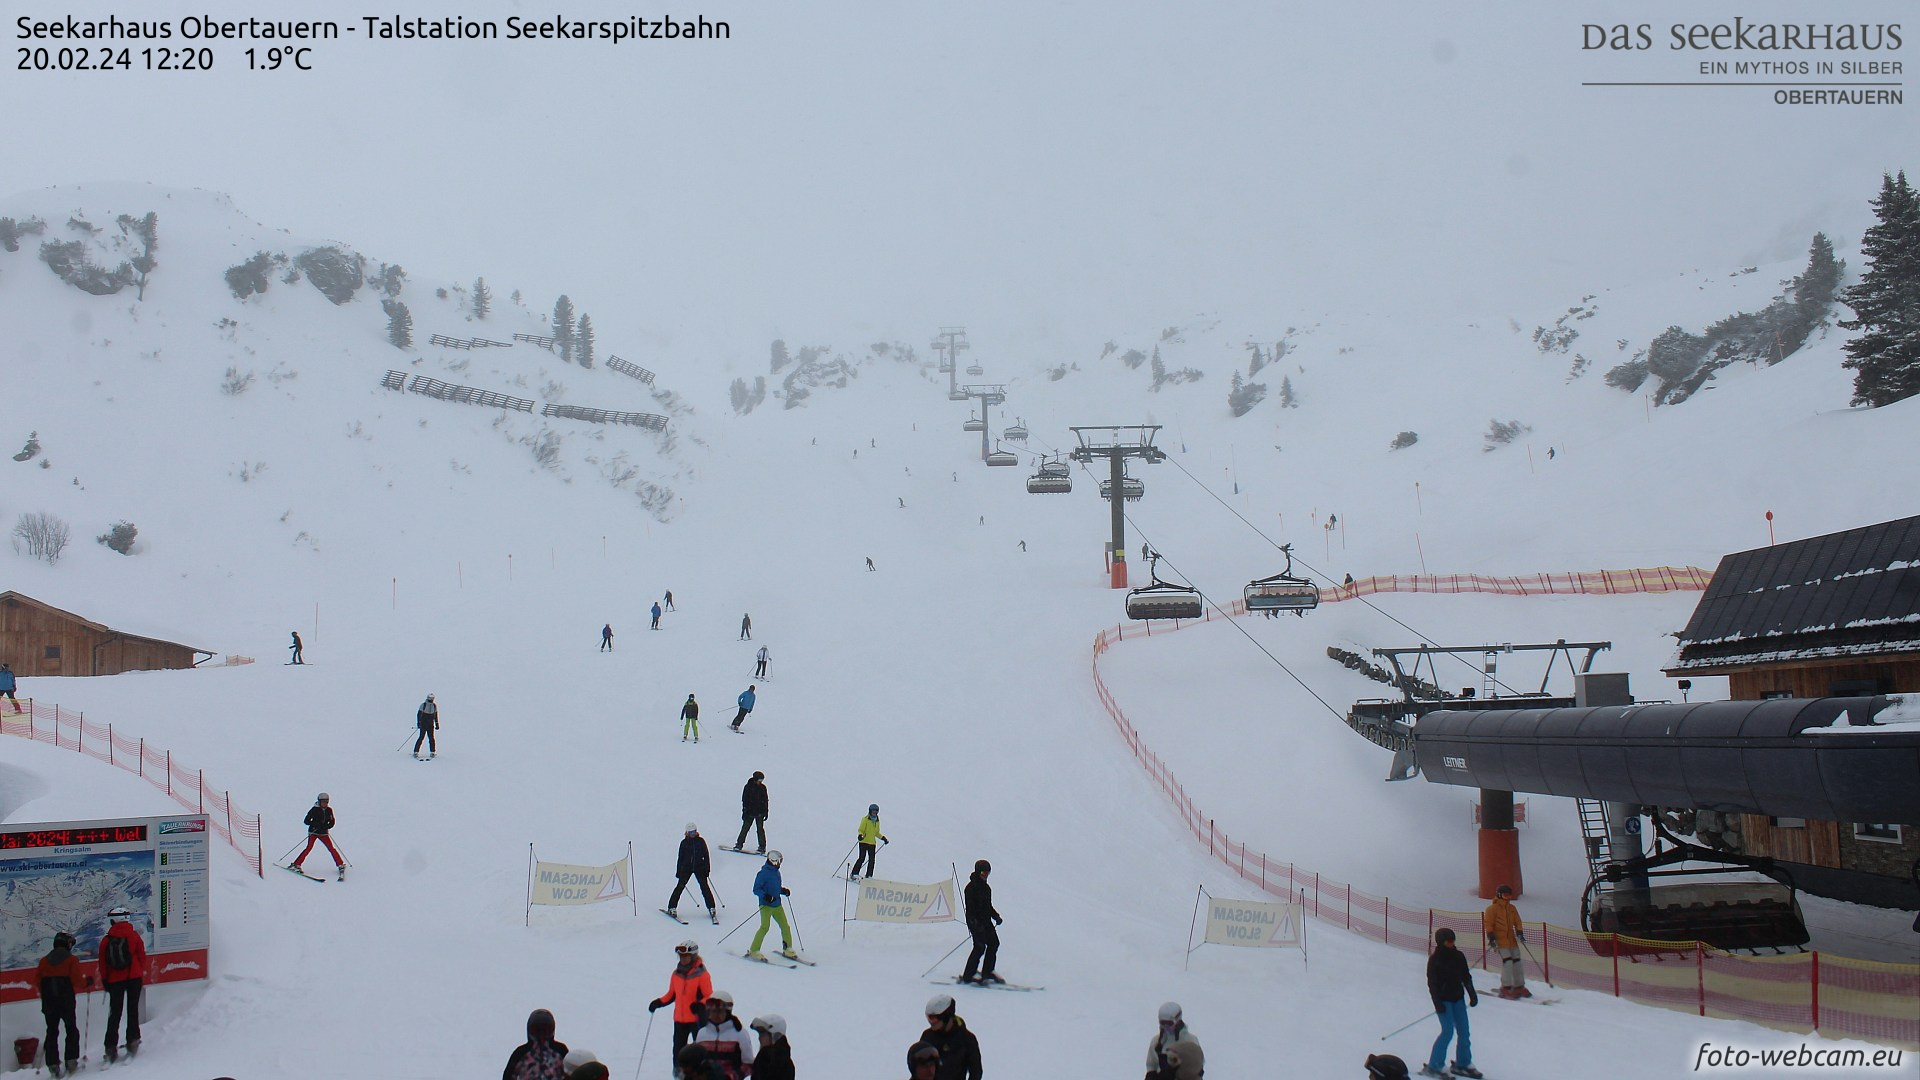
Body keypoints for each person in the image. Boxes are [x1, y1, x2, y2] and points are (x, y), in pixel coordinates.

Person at [1422, 927, 1480, 1079]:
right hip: (1444, 1001)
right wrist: (1437, 1002)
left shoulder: (1458, 956)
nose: (1451, 943)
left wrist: (1472, 994)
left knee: (1464, 1032)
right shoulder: (1435, 960)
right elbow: (1432, 983)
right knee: (1447, 1032)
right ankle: (1435, 1065)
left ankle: (1463, 1063)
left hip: (1458, 999)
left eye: (1453, 940)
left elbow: (1465, 977)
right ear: (1441, 942)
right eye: (1449, 941)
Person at [648, 940, 713, 1059]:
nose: (682, 959)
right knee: (678, 1052)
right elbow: (672, 994)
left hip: (696, 1020)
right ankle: (678, 1075)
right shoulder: (676, 974)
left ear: (693, 956)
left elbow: (709, 996)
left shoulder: (702, 974)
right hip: (679, 1020)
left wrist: (700, 1005)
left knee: (699, 1051)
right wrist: (658, 1002)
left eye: (686, 956)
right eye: (681, 956)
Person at [36, 931, 88, 1076]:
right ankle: (71, 1060)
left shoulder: (44, 961)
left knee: (51, 1031)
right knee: (71, 1028)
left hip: (49, 1002)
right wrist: (87, 983)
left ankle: (53, 1064)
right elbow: (78, 980)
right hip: (66, 1001)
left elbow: (38, 982)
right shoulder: (71, 960)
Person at [100, 908, 146, 1064]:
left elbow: (103, 963)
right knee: (132, 1010)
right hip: (133, 977)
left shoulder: (107, 940)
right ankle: (132, 1042)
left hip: (114, 980)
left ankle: (110, 1048)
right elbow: (141, 956)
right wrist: (138, 972)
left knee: (115, 1013)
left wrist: (106, 980)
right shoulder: (134, 936)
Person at [690, 990, 754, 1080]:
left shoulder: (740, 1034)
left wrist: (731, 1077)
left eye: (719, 1011)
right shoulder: (702, 1033)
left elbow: (748, 1064)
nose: (715, 1015)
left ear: (727, 1012)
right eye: (712, 1011)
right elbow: (697, 1061)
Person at [745, 851, 797, 961]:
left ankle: (788, 949)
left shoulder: (776, 872)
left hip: (777, 904)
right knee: (765, 927)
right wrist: (766, 896)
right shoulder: (763, 873)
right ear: (774, 861)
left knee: (785, 926)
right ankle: (754, 949)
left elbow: (775, 887)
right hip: (766, 905)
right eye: (779, 861)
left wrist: (783, 891)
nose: (780, 863)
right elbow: (756, 889)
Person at [919, 994, 983, 1080]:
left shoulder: (967, 1039)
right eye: (928, 1017)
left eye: (933, 1018)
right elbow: (918, 1066)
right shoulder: (928, 1036)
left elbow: (976, 1072)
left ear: (946, 1016)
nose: (931, 1022)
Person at [959, 859, 1003, 984]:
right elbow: (970, 909)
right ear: (978, 872)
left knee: (994, 944)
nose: (985, 876)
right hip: (975, 922)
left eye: (987, 873)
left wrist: (996, 916)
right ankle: (968, 975)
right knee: (979, 947)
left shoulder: (987, 888)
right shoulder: (970, 888)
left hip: (986, 921)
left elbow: (988, 906)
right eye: (983, 873)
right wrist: (976, 924)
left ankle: (988, 971)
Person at [1484, 884, 1529, 999]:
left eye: (1510, 895)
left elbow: (1517, 921)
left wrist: (1519, 932)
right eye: (1505, 895)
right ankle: (1506, 987)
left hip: (1511, 940)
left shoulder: (1512, 908)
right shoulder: (1492, 909)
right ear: (1499, 895)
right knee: (1508, 962)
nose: (1508, 898)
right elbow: (1488, 924)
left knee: (1517, 962)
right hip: (1500, 940)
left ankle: (1519, 986)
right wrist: (1491, 937)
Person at [668, 823, 717, 923]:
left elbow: (706, 856)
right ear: (687, 833)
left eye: (694, 832)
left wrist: (707, 869)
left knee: (704, 887)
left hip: (699, 868)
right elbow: (680, 858)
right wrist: (679, 871)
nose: (693, 834)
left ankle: (711, 907)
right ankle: (672, 907)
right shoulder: (684, 843)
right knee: (680, 886)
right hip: (687, 868)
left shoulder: (701, 841)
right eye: (691, 832)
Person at [503, 1007, 569, 1080]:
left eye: (546, 1031)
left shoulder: (560, 1050)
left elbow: (571, 1073)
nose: (541, 1035)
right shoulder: (521, 1053)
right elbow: (508, 1076)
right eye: (537, 1030)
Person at [290, 793, 345, 878]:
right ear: (319, 802)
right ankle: (296, 864)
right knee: (309, 848)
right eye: (323, 802)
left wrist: (327, 826)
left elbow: (332, 821)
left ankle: (340, 864)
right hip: (314, 832)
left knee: (331, 848)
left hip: (323, 833)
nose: (325, 804)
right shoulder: (314, 810)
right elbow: (306, 821)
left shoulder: (329, 810)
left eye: (326, 802)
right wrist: (316, 824)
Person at [1146, 1001, 1198, 1080]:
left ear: (1177, 1020)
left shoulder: (1190, 1041)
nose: (1165, 1027)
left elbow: (1196, 1066)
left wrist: (1174, 1072)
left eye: (1169, 1023)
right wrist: (1151, 1074)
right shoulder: (1157, 1042)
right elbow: (1151, 1064)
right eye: (1162, 1023)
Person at [850, 803, 888, 881]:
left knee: (872, 860)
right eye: (873, 811)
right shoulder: (865, 819)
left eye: (876, 811)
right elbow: (861, 829)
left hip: (872, 843)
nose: (874, 813)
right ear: (870, 811)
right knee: (862, 858)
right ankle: (854, 873)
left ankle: (869, 875)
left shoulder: (877, 821)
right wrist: (860, 835)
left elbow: (876, 833)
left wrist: (883, 838)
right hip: (864, 842)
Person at [749, 1015, 794, 1080]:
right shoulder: (762, 1058)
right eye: (760, 1034)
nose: (759, 1038)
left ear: (775, 1036)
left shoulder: (783, 1064)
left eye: (763, 1034)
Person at [733, 771, 768, 853]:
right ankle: (739, 844)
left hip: (760, 813)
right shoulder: (748, 787)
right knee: (745, 828)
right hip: (750, 813)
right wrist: (744, 812)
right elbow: (745, 800)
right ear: (755, 779)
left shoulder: (763, 788)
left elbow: (765, 800)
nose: (760, 782)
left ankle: (762, 847)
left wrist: (765, 811)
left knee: (760, 830)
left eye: (761, 781)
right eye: (759, 780)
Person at [415, 692, 439, 759]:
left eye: (432, 698)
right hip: (423, 724)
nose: (431, 700)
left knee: (431, 738)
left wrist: (437, 724)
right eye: (430, 698)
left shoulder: (434, 706)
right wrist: (419, 723)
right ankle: (416, 751)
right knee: (421, 737)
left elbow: (435, 715)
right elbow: (419, 714)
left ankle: (432, 751)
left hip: (430, 724)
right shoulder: (423, 705)